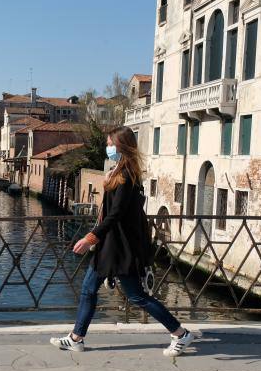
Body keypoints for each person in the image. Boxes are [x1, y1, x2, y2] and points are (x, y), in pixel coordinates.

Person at [50, 127, 195, 357]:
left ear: (120, 146)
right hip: (109, 246)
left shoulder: (127, 176)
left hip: (119, 248)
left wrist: (90, 238)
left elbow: (115, 214)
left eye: (109, 143)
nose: (106, 147)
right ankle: (76, 338)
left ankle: (180, 334)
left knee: (137, 296)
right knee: (88, 289)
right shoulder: (121, 171)